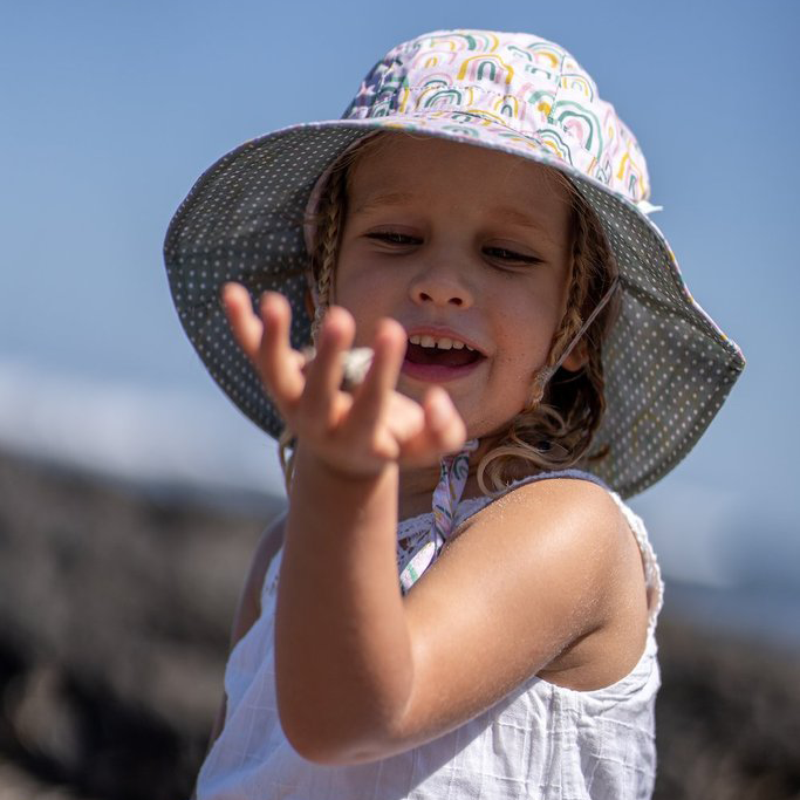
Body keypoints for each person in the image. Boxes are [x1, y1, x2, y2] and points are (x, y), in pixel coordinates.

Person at [164, 29, 744, 799]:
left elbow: (353, 718)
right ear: (322, 285)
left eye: (507, 254)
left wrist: (342, 475)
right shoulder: (285, 549)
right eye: (397, 237)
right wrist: (335, 489)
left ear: (578, 327)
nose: (442, 283)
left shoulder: (569, 532)